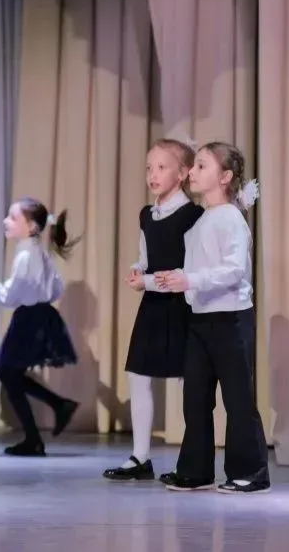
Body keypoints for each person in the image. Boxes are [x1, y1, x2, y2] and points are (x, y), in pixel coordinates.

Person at [156, 142, 269, 494]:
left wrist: (191, 280)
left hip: (231, 319)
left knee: (238, 400)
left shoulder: (231, 218)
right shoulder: (204, 218)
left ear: (225, 177)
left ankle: (251, 473)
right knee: (196, 398)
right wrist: (165, 279)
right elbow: (196, 269)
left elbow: (233, 271)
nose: (192, 171)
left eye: (201, 166)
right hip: (201, 319)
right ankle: (195, 470)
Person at [103, 139, 203, 481]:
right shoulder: (147, 214)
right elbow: (146, 258)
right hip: (153, 307)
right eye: (149, 168)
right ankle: (140, 457)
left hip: (182, 306)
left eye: (162, 167)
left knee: (188, 383)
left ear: (183, 173)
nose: (153, 175)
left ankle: (190, 460)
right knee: (138, 376)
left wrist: (145, 282)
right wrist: (138, 270)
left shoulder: (193, 216)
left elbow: (187, 269)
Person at [0, 198, 80, 457]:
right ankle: (54, 411)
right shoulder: (38, 252)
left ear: (31, 227)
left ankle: (39, 431)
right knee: (10, 374)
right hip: (42, 316)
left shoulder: (26, 256)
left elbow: (7, 296)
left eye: (13, 218)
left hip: (30, 319)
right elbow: (57, 287)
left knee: (8, 373)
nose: (6, 221)